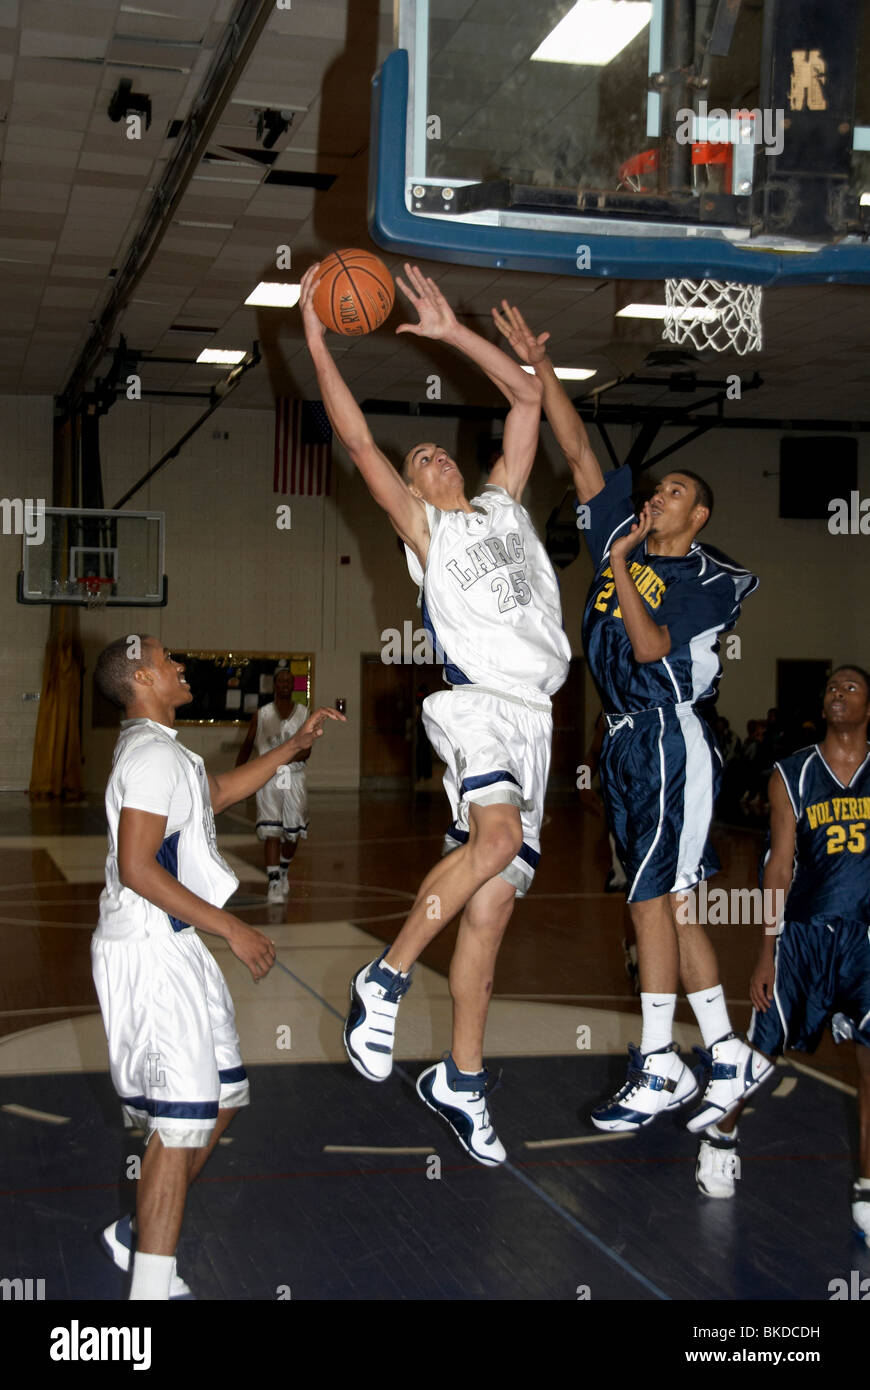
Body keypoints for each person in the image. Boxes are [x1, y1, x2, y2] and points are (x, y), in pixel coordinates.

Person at [300, 262, 570, 1166]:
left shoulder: (500, 502)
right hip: (475, 704)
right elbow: (356, 440)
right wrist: (312, 340)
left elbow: (527, 402)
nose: (434, 458)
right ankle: (382, 979)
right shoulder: (429, 533)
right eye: (420, 461)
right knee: (490, 843)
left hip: (535, 719)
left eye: (440, 451)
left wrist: (452, 333)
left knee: (489, 917)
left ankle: (460, 1078)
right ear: (412, 492)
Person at [494, 302, 773, 1133]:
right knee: (675, 901)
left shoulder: (709, 575)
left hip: (670, 733)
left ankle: (659, 1063)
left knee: (650, 899)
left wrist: (617, 562)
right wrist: (542, 368)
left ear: (700, 517)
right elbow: (577, 448)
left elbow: (651, 651)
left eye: (675, 491)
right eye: (656, 488)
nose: (659, 496)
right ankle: (726, 1050)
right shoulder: (625, 532)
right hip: (625, 741)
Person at [91, 635, 343, 1299]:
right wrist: (231, 925)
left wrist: (295, 743)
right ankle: (149, 1291)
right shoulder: (147, 756)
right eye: (169, 659)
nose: (180, 666)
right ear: (143, 677)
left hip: (175, 945)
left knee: (222, 1099)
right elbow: (138, 866)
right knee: (178, 1124)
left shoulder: (164, 752)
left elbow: (223, 789)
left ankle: (133, 1233)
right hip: (148, 950)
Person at [700, 667, 870, 1235]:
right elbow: (777, 867)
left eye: (850, 686)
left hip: (865, 945)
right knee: (763, 1052)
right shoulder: (791, 773)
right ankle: (721, 1134)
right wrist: (765, 951)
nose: (837, 692)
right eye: (831, 687)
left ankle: (867, 1192)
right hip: (801, 937)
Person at [235, 666, 310, 903]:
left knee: (293, 833)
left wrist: (284, 757)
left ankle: (284, 870)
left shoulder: (304, 713)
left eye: (290, 681)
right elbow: (247, 744)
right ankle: (274, 881)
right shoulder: (262, 713)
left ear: (293, 685)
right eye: (282, 681)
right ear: (274, 685)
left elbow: (306, 751)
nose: (286, 684)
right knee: (272, 831)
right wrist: (240, 773)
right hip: (269, 776)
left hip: (294, 776)